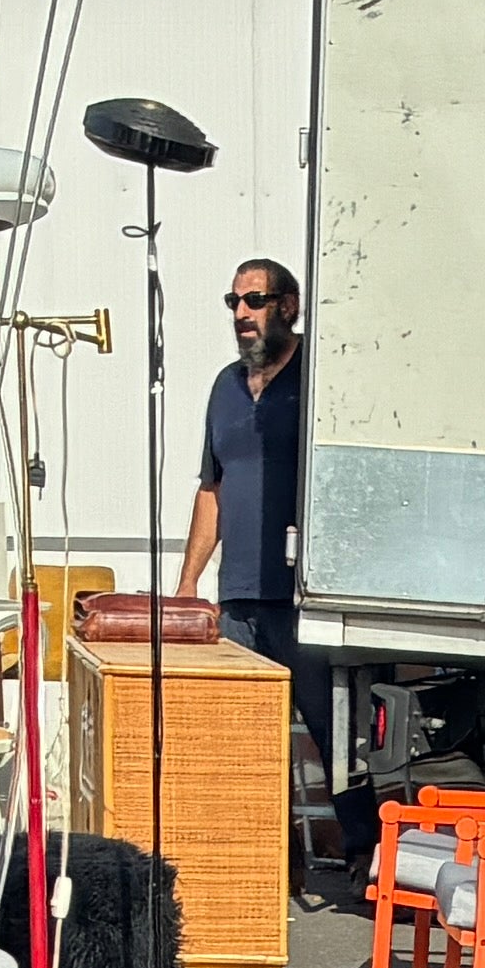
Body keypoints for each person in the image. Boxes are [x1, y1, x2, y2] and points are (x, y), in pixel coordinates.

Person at [178, 258, 306, 668]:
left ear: (287, 307)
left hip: (302, 600)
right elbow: (212, 488)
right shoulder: (225, 385)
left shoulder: (316, 376)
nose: (241, 314)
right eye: (234, 301)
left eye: (254, 300)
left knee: (326, 726)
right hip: (235, 602)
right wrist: (188, 582)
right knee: (240, 724)